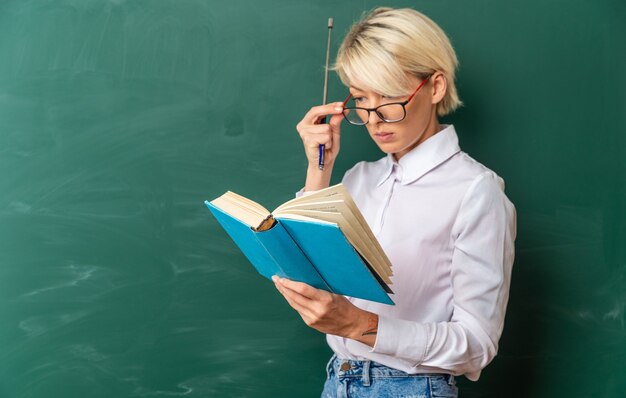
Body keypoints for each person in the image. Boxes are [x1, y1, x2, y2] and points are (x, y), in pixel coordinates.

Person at [271, 7, 516, 398]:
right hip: (338, 380)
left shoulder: (475, 190)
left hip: (412, 387)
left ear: (434, 87)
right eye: (361, 99)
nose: (373, 118)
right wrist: (318, 170)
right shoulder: (359, 179)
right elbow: (311, 275)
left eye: (388, 96)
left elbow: (477, 344)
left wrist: (358, 325)